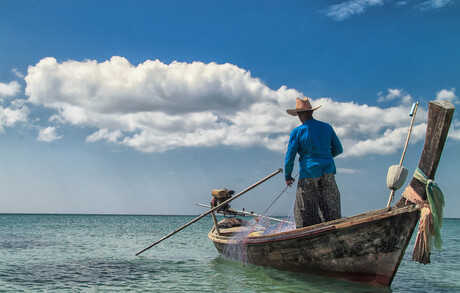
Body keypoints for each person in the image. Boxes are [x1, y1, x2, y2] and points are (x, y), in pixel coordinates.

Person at [284, 97, 343, 228]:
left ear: (300, 115)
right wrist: (326, 158)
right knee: (331, 209)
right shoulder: (327, 127)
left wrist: (288, 176)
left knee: (305, 212)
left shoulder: (298, 131)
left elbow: (290, 157)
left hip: (309, 173)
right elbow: (339, 149)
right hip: (328, 172)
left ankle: (305, 239)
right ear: (311, 112)